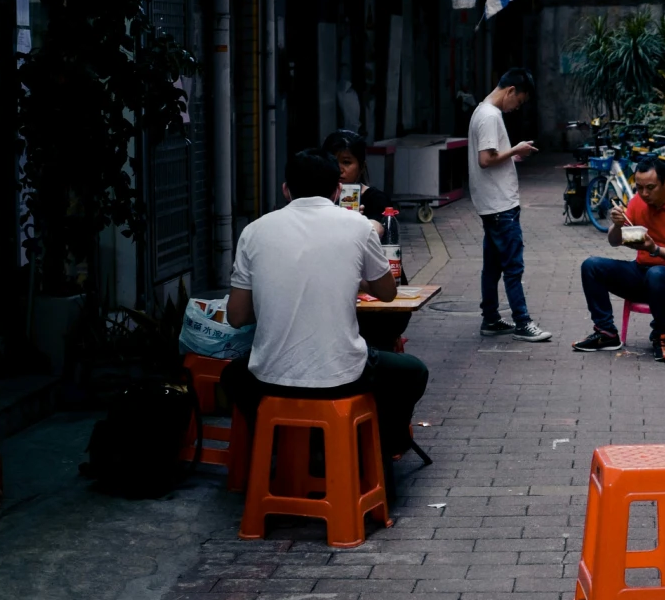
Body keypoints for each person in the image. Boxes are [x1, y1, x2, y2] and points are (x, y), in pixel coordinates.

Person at [221, 147, 429, 470]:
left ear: (286, 189)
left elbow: (237, 316)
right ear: (337, 191)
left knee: (233, 376)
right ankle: (384, 446)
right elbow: (388, 293)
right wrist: (357, 280)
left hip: (269, 379)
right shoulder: (359, 227)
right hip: (343, 377)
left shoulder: (253, 232)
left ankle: (281, 454)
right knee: (413, 372)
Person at [574, 153, 665, 362]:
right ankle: (606, 332)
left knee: (657, 274)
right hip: (643, 272)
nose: (644, 193)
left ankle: (661, 337)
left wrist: (655, 249)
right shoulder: (637, 202)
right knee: (591, 266)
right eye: (639, 187)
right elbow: (614, 241)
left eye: (650, 188)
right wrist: (616, 224)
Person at [468, 68, 552, 343]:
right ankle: (522, 322)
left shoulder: (483, 111)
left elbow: (491, 158)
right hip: (500, 205)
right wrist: (516, 149)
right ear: (511, 91)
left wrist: (511, 156)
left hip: (492, 204)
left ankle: (491, 318)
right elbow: (485, 159)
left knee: (493, 266)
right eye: (519, 101)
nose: (517, 107)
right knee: (513, 267)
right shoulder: (491, 116)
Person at [322, 130, 384, 221]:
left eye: (346, 162)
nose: (339, 169)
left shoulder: (376, 200)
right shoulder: (316, 197)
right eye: (333, 161)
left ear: (361, 166)